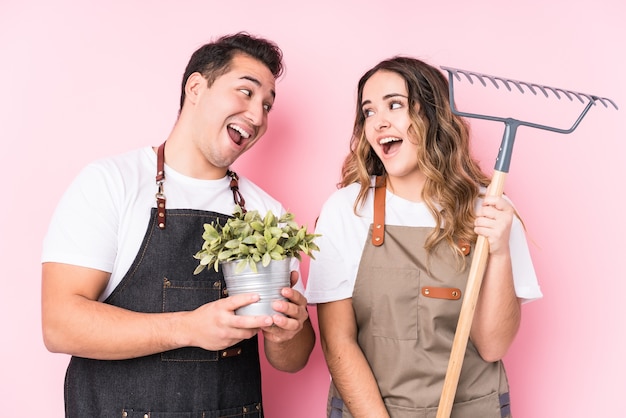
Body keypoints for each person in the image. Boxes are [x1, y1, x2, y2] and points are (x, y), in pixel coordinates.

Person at [41, 32, 315, 417]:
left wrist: (290, 331)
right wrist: (188, 329)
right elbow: (60, 324)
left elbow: (292, 360)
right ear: (197, 87)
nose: (258, 116)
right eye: (246, 92)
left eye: (268, 105)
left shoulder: (266, 212)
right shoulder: (111, 183)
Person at [305, 56, 542, 418]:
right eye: (368, 111)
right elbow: (339, 344)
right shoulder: (346, 210)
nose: (379, 121)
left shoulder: (492, 210)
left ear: (432, 115)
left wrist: (499, 253)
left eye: (395, 105)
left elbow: (493, 346)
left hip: (472, 408)